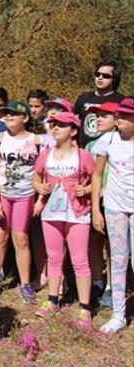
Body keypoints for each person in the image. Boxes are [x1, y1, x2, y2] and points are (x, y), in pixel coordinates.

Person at [32, 112, 95, 327]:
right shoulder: (46, 154)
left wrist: (85, 189)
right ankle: (52, 300)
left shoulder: (83, 155)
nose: (55, 128)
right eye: (53, 124)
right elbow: (37, 176)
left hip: (77, 213)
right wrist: (38, 187)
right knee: (54, 258)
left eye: (61, 125)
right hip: (51, 213)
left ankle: (85, 307)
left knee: (79, 260)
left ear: (74, 130)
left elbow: (97, 181)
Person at [0, 101, 42, 303]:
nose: (8, 117)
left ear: (25, 118)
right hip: (3, 196)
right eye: (6, 113)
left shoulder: (38, 140)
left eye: (13, 114)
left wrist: (40, 199)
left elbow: (43, 170)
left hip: (25, 196)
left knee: (21, 239)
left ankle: (26, 284)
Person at [91, 96, 134, 334]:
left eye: (126, 116)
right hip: (114, 207)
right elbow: (97, 175)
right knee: (117, 259)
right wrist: (97, 209)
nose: (120, 119)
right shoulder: (108, 139)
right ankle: (119, 315)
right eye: (119, 115)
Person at [75, 60, 125, 145]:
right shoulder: (84, 97)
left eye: (106, 76)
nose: (100, 78)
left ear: (114, 79)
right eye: (97, 74)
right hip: (83, 149)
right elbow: (75, 121)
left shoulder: (121, 100)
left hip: (109, 149)